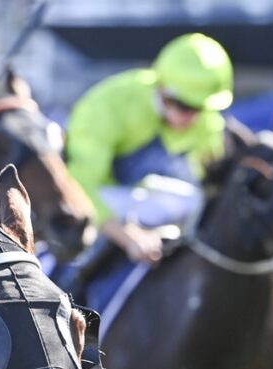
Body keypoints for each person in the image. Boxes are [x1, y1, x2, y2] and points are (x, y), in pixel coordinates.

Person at [62, 32, 233, 293]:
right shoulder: (108, 105)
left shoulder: (207, 121)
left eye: (199, 109)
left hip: (149, 204)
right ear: (162, 89)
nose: (191, 118)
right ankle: (69, 286)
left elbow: (207, 191)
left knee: (191, 200)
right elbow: (78, 187)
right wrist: (128, 235)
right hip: (97, 203)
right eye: (183, 106)